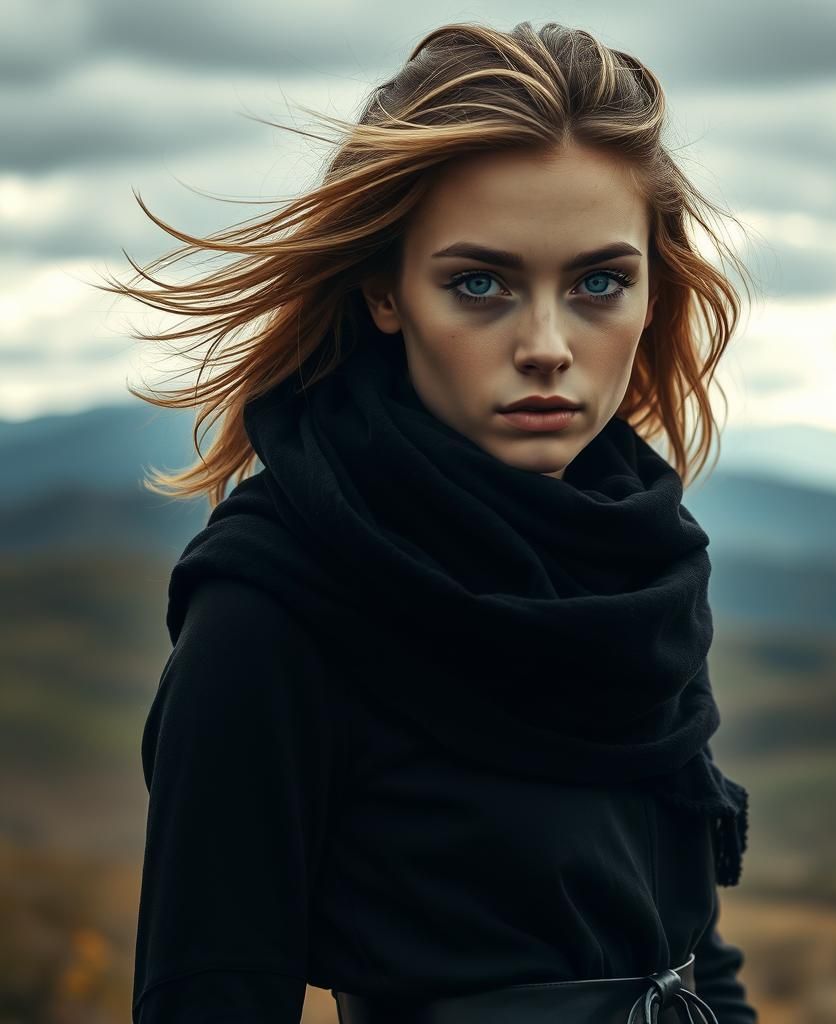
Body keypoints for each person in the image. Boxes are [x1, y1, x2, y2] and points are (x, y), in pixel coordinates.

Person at [110, 19, 760, 1024]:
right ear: (385, 290)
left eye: (598, 282)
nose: (546, 346)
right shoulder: (272, 605)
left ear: (649, 288)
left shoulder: (637, 556)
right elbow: (209, 992)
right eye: (479, 284)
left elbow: (684, 946)